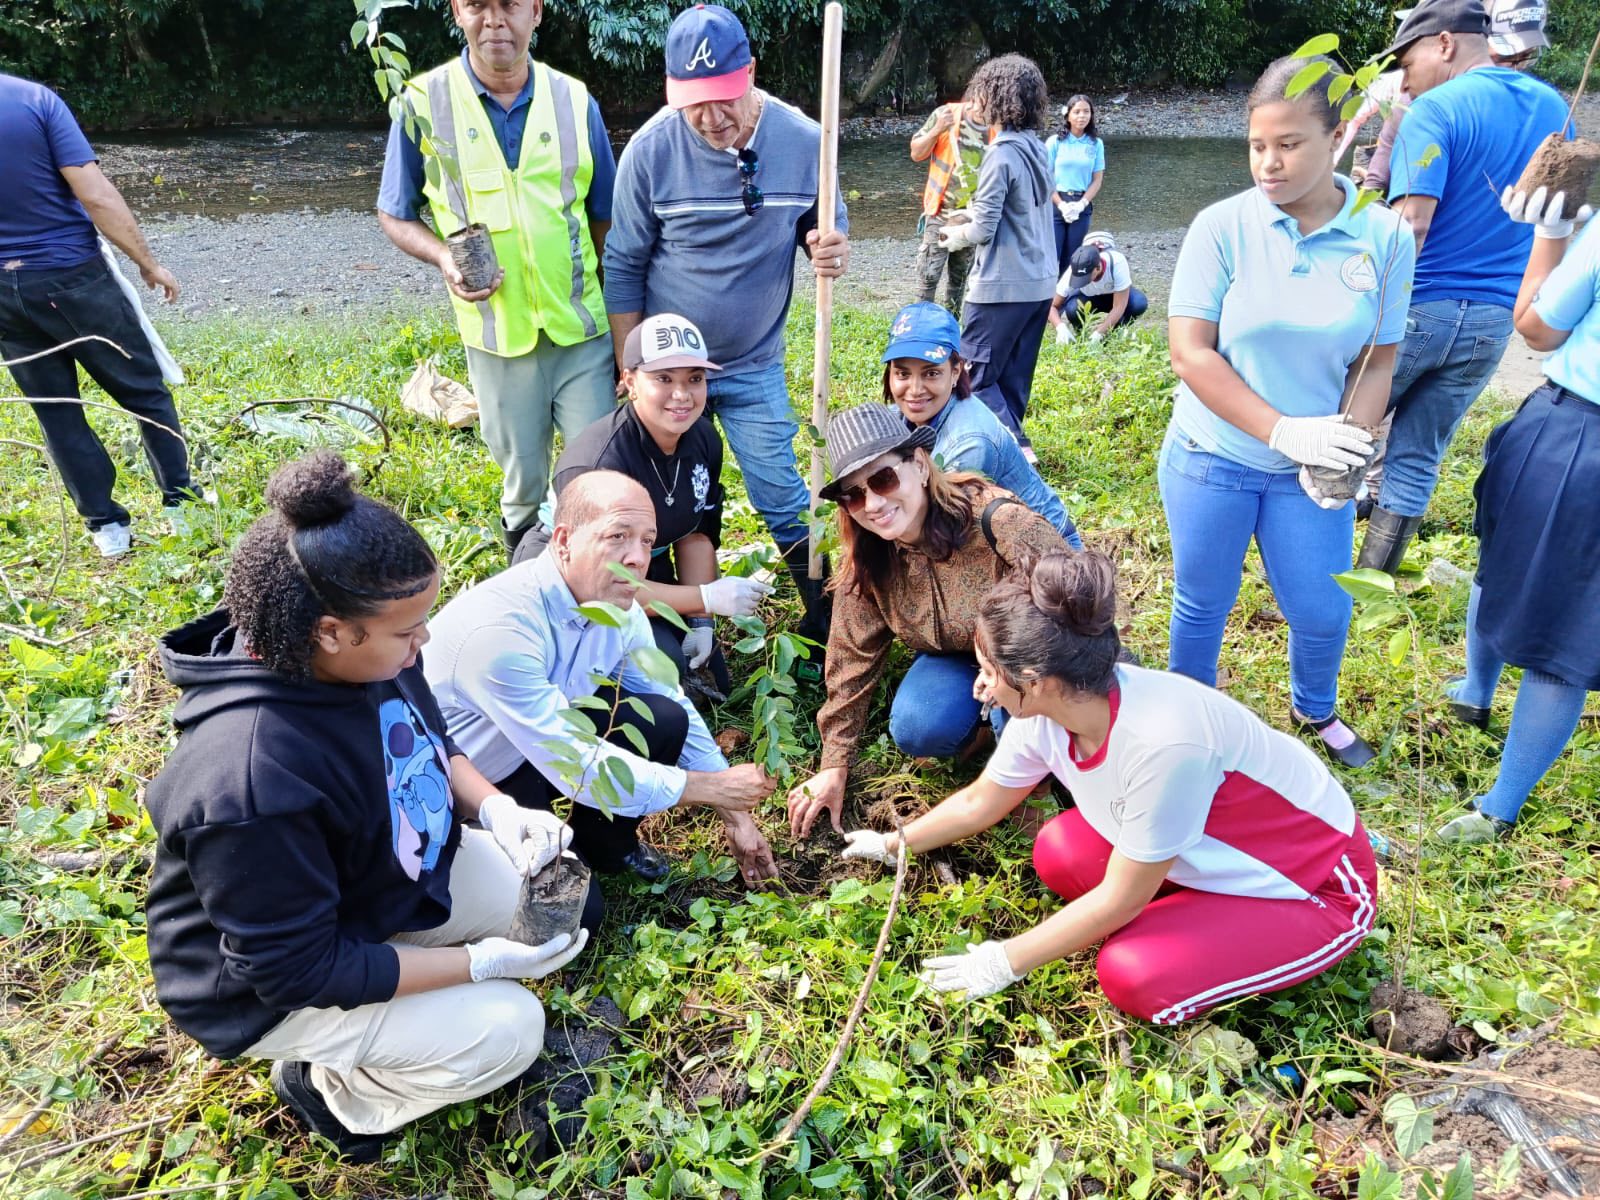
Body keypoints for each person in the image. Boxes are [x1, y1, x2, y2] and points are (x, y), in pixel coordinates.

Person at [143, 453, 589, 1163]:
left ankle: (416, 960)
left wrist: (501, 810)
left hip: (368, 880)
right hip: (273, 987)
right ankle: (334, 1094)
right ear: (330, 631)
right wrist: (476, 965)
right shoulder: (250, 782)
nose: (425, 644)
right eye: (408, 632)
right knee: (509, 1025)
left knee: (528, 898)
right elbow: (299, 970)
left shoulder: (369, 657)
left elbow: (430, 743)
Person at [837, 551, 1377, 1022]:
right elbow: (982, 801)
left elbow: (1119, 900)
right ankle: (1194, 918)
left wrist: (1003, 960)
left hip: (1313, 885)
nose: (980, 683)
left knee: (1132, 974)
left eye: (988, 669)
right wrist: (892, 844)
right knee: (1060, 850)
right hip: (1202, 848)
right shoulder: (1045, 714)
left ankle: (1222, 946)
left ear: (1037, 680)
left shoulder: (1164, 744)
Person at [1164, 55, 1416, 768]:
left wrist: (1350, 446)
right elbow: (1192, 354)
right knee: (1202, 600)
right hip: (1214, 455)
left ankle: (1314, 707)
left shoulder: (1386, 237)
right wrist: (1281, 429)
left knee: (1321, 607)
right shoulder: (1222, 228)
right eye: (1256, 145)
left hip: (1310, 471)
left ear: (1336, 138)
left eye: (1289, 144)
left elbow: (1379, 358)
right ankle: (1192, 721)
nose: (1268, 164)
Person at [603, 3, 849, 642]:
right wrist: (631, 366)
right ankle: (659, 625)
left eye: (723, 99)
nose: (711, 119)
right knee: (653, 496)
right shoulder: (651, 152)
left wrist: (830, 245)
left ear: (752, 75)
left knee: (782, 493)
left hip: (752, 363)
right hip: (669, 372)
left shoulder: (804, 142)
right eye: (693, 103)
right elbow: (624, 263)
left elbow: (824, 228)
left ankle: (828, 622)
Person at [426, 470, 779, 886]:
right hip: (474, 787)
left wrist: (736, 817)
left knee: (663, 718)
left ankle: (604, 848)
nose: (638, 558)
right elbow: (576, 764)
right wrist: (709, 788)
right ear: (562, 542)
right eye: (618, 537)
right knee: (578, 913)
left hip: (540, 746)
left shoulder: (618, 609)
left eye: (647, 541)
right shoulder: (500, 632)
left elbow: (668, 695)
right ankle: (512, 858)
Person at [377, 0, 617, 554]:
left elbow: (603, 214)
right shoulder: (422, 103)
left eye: (509, 5)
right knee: (522, 484)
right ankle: (525, 582)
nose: (495, 21)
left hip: (581, 329)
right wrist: (442, 256)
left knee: (597, 473)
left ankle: (603, 597)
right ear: (458, 12)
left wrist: (622, 311)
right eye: (478, 5)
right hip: (495, 334)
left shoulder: (573, 100)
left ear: (536, 11)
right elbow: (395, 211)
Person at [785, 403, 1070, 839]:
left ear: (919, 465)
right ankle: (986, 740)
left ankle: (1033, 779)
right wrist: (834, 764)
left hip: (1036, 659)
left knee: (1014, 691)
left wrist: (1008, 673)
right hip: (955, 659)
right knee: (918, 725)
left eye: (883, 478)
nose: (874, 503)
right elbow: (850, 657)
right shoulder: (870, 556)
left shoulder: (997, 522)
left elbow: (1073, 604)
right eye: (854, 494)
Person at [1355, 0, 1569, 574]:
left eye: (1406, 59)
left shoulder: (1435, 109)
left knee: (1341, 433)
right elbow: (1562, 214)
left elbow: (1412, 226)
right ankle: (1371, 586)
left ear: (1445, 44)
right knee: (1418, 454)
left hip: (1421, 307)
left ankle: (1313, 572)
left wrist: (1369, 315)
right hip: (1495, 319)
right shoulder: (1554, 107)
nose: (1404, 76)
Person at [1438, 188, 1597, 843]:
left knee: (1551, 621)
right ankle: (1477, 698)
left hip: (1580, 435)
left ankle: (1496, 806)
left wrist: (1552, 235)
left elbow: (1536, 325)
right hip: (1576, 435)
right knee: (1574, 622)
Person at [513, 313, 772, 689]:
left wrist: (701, 617)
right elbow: (600, 585)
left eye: (694, 380)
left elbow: (697, 533)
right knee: (661, 666)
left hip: (644, 567)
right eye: (664, 379)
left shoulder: (702, 437)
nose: (682, 395)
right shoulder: (601, 463)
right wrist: (707, 595)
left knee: (711, 674)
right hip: (574, 586)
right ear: (630, 381)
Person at [0, 72, 197, 558]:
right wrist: (148, 263)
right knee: (144, 391)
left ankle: (106, 530)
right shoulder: (34, 101)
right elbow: (95, 195)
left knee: (57, 411)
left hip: (3, 291)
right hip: (72, 279)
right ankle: (181, 506)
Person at [879, 301, 1082, 547]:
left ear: (955, 372)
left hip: (1049, 553)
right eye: (902, 374)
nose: (914, 390)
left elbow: (929, 524)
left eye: (931, 373)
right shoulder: (906, 414)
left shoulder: (970, 443)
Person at [937, 55, 1057, 454]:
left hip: (1002, 288)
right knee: (1012, 381)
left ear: (996, 98)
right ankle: (1009, 445)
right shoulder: (1036, 150)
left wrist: (953, 237)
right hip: (1040, 283)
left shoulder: (1000, 154)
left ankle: (1016, 452)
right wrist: (969, 213)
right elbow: (1019, 208)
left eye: (981, 94)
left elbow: (984, 231)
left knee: (972, 378)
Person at [909, 89, 989, 313]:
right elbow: (916, 153)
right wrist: (936, 130)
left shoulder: (997, 128)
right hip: (940, 211)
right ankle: (920, 326)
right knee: (928, 275)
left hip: (971, 217)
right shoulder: (946, 114)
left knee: (960, 279)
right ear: (975, 96)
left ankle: (950, 328)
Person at [1043, 95, 1105, 275]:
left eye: (1086, 112)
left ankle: (1066, 299)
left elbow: (1097, 180)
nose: (1081, 116)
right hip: (1056, 203)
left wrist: (1082, 204)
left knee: (1073, 257)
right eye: (1077, 112)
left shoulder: (1096, 144)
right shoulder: (1055, 142)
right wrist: (1060, 204)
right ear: (1068, 115)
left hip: (1081, 203)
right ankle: (1047, 299)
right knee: (1051, 253)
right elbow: (1046, 177)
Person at [1049, 233, 1148, 342]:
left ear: (1098, 267)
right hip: (1088, 297)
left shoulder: (1117, 263)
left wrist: (1100, 332)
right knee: (1072, 308)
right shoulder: (1074, 269)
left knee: (1138, 303)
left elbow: (1119, 306)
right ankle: (1081, 334)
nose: (1084, 282)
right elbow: (1051, 306)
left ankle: (1112, 332)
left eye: (1086, 278)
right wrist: (1060, 327)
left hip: (1113, 296)